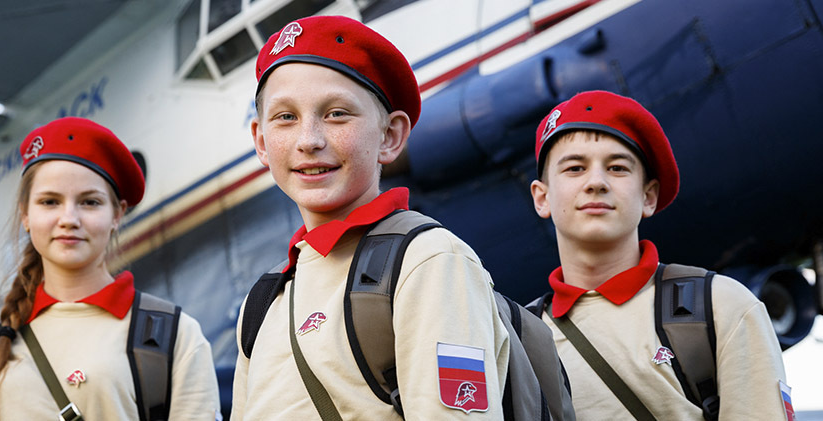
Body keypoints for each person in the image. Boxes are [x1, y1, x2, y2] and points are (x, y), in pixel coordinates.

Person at [231, 15, 510, 419]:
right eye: (286, 117)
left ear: (390, 136)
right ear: (261, 141)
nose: (309, 140)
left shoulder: (428, 261)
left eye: (337, 114)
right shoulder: (262, 303)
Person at [528, 90, 789, 419]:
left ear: (649, 196)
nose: (596, 182)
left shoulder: (721, 308)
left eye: (617, 168)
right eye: (575, 168)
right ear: (542, 198)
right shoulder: (521, 337)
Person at [0, 117, 220, 421]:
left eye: (89, 202)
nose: (69, 219)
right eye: (50, 202)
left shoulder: (174, 334)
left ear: (117, 214)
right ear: (25, 214)